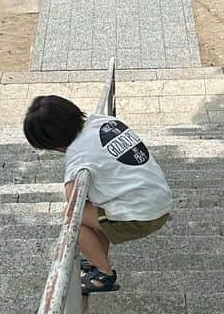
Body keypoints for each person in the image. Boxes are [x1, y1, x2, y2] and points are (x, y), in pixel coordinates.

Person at [23, 94, 172, 293]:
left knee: (72, 216)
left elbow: (73, 199)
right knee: (93, 213)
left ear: (55, 145)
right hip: (159, 200)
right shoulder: (105, 121)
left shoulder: (78, 153)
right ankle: (97, 258)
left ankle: (104, 274)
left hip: (141, 216)